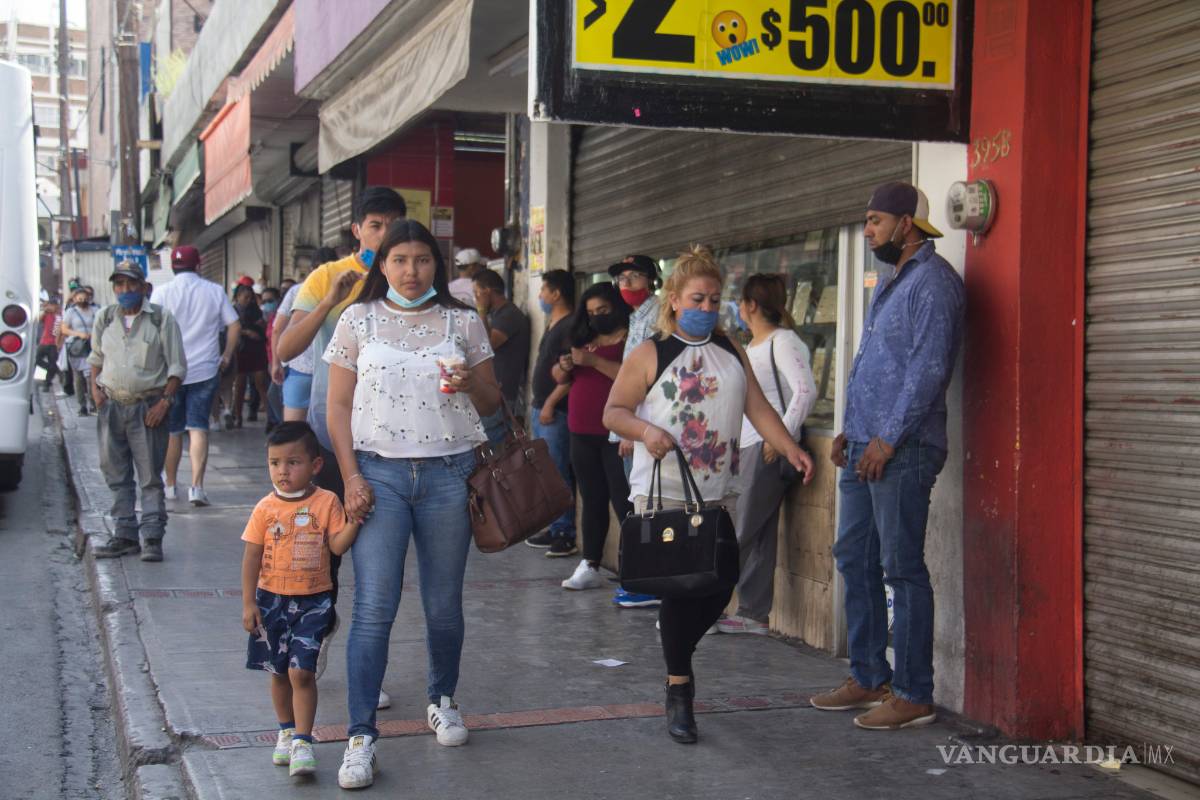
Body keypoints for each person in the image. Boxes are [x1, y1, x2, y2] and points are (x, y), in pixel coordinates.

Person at [603, 246, 814, 744]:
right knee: (684, 587)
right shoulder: (651, 352)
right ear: (674, 301)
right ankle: (680, 690)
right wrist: (644, 432)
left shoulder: (731, 349)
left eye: (715, 298)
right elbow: (613, 411)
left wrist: (789, 449)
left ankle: (678, 661)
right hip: (666, 493)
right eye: (697, 297)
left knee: (721, 582)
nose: (707, 306)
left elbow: (759, 409)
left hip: (719, 489)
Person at [324, 220, 501, 790]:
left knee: (444, 603)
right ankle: (359, 737)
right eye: (399, 259)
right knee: (375, 605)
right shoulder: (358, 319)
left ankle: (442, 698)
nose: (410, 270)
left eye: (422, 259)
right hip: (379, 474)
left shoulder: (463, 320)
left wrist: (469, 382)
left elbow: (496, 399)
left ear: (436, 264)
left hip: (452, 473)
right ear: (382, 264)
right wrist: (350, 476)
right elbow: (336, 408)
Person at [809, 182, 964, 731]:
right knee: (853, 557)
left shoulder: (935, 284)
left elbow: (927, 371)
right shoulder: (892, 281)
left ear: (906, 224)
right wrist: (851, 430)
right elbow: (875, 362)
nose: (868, 230)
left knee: (902, 568)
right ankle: (868, 676)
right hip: (864, 446)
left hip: (903, 450)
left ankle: (914, 692)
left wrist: (887, 439)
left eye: (875, 221)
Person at [275, 187, 407, 714]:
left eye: (393, 224)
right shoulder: (327, 277)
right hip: (331, 444)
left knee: (377, 567)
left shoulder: (411, 281)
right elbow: (285, 349)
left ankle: (366, 667)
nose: (383, 234)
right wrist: (332, 301)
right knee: (324, 559)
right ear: (357, 229)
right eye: (374, 224)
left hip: (390, 446)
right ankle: (318, 638)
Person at [240, 421, 361, 778]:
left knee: (302, 672)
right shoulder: (264, 509)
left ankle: (303, 741)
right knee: (278, 672)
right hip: (271, 602)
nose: (282, 471)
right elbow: (251, 556)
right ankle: (286, 731)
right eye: (275, 463)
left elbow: (337, 546)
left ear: (315, 465)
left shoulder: (327, 502)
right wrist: (249, 604)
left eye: (293, 462)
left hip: (313, 602)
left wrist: (354, 520)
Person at [716, 274, 817, 635]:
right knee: (757, 532)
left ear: (751, 305)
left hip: (767, 449)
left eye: (740, 302)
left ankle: (709, 604)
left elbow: (805, 391)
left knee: (740, 531)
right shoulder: (752, 345)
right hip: (745, 447)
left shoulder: (784, 341)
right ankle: (752, 611)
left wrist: (782, 438)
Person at [88, 262, 187, 562]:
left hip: (148, 408)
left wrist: (164, 402)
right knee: (116, 475)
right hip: (112, 407)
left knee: (149, 477)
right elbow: (96, 358)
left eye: (131, 285)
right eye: (119, 285)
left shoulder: (160, 319)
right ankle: (125, 535)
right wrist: (96, 391)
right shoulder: (105, 318)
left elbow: (177, 367)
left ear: (144, 287)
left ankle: (153, 537)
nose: (125, 290)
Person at [556, 282, 633, 591]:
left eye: (603, 310)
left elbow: (632, 377)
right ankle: (590, 562)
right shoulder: (582, 337)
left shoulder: (631, 338)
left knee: (622, 499)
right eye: (591, 313)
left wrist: (595, 361)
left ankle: (633, 565)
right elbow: (560, 378)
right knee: (592, 499)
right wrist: (564, 366)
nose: (597, 317)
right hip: (581, 429)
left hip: (616, 433)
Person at [153, 245, 241, 506]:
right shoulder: (214, 291)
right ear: (199, 265)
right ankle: (197, 488)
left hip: (171, 372)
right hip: (205, 369)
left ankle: (170, 486)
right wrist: (226, 355)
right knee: (198, 427)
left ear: (173, 266)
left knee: (173, 431)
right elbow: (234, 324)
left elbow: (151, 328)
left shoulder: (162, 292)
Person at [607, 254, 664, 608]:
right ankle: (644, 577)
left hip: (643, 430)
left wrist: (632, 430)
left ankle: (650, 582)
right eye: (622, 278)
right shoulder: (635, 316)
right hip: (633, 429)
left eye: (635, 277)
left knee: (646, 506)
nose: (626, 284)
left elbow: (651, 379)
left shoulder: (656, 316)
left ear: (652, 280)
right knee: (638, 503)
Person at [524, 270, 578, 557]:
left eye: (544, 290)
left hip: (555, 411)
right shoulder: (553, 323)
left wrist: (550, 403)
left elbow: (571, 374)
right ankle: (555, 524)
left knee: (559, 471)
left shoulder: (570, 326)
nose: (540, 296)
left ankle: (564, 531)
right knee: (548, 471)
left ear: (556, 294)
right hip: (542, 407)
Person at [473, 267, 530, 442]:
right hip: (495, 393)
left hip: (502, 396)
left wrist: (481, 311)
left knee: (492, 450)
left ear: (487, 291)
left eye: (477, 293)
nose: (475, 298)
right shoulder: (498, 315)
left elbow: (487, 345)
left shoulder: (509, 315)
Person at [272, 281, 314, 422]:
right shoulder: (349, 286)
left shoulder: (298, 290)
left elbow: (277, 329)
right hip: (335, 372)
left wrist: (276, 363)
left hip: (299, 369)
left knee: (293, 429)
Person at [232, 283, 270, 427]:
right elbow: (230, 329)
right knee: (240, 384)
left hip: (256, 349)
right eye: (245, 297)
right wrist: (246, 332)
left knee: (261, 383)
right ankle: (238, 416)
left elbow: (263, 329)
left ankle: (270, 417)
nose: (248, 300)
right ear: (238, 297)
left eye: (250, 297)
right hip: (241, 350)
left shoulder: (257, 311)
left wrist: (259, 330)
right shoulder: (232, 311)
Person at [61, 287, 98, 416]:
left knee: (91, 377)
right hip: (76, 347)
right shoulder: (71, 312)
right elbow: (64, 329)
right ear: (75, 299)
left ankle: (94, 404)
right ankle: (82, 405)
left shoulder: (95, 311)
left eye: (85, 298)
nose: (82, 301)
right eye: (79, 298)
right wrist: (78, 334)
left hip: (92, 346)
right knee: (78, 378)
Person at [260, 287, 284, 431]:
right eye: (264, 301)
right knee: (274, 395)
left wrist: (277, 362)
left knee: (275, 395)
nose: (266, 304)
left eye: (270, 300)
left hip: (282, 364)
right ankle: (279, 424)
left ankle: (283, 426)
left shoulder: (282, 318)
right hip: (273, 363)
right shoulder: (270, 319)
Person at [35, 298, 61, 392]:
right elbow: (38, 319)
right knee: (36, 360)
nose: (52, 307)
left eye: (53, 305)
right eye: (50, 305)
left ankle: (47, 383)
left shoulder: (60, 315)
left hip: (54, 344)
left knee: (53, 362)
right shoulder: (47, 314)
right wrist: (45, 310)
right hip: (44, 342)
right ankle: (52, 368)